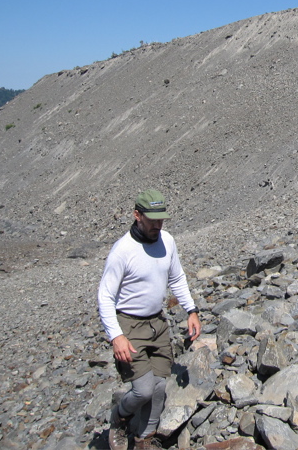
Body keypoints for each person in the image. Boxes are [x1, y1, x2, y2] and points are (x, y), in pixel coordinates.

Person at [98, 189, 201, 450]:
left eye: (161, 220)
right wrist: (116, 336)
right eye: (152, 220)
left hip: (158, 323)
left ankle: (145, 438)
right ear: (137, 215)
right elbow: (105, 296)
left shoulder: (167, 241)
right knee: (143, 390)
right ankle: (120, 417)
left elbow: (176, 278)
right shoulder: (123, 250)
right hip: (130, 325)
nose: (157, 225)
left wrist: (191, 310)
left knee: (158, 386)